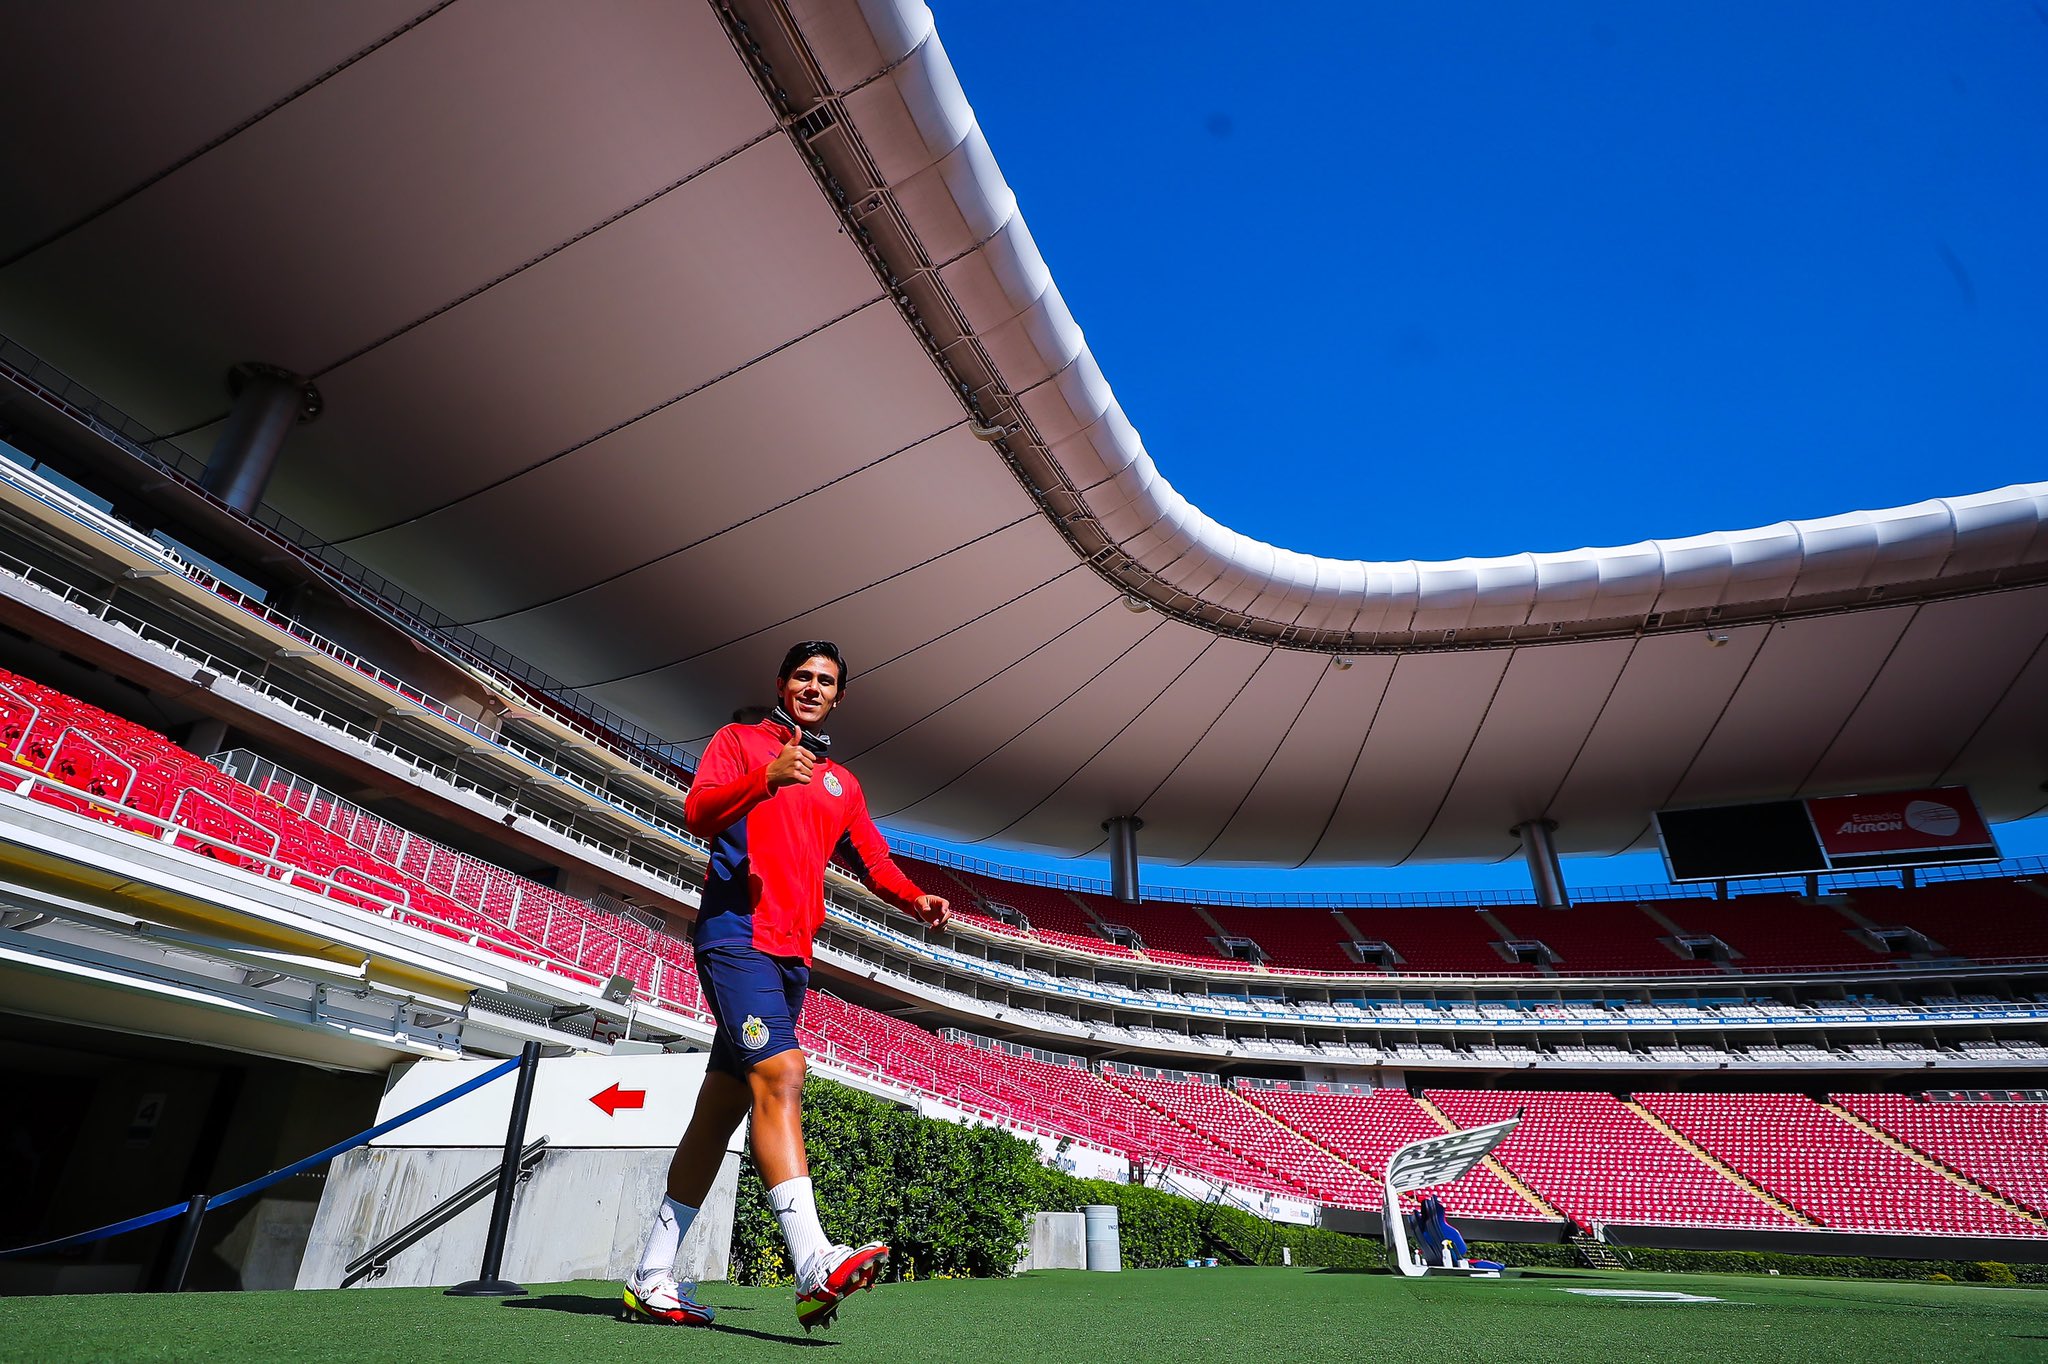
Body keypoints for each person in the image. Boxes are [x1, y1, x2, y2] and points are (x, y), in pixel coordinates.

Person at [621, 641, 949, 1331]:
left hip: (792, 958)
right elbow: (699, 812)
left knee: (717, 1116)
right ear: (782, 683)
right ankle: (811, 1264)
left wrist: (916, 900)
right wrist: (765, 777)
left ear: (839, 697)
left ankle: (650, 1277)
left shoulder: (844, 785)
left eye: (825, 681)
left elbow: (874, 860)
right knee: (783, 1071)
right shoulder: (740, 742)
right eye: (802, 676)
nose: (812, 686)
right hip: (736, 938)